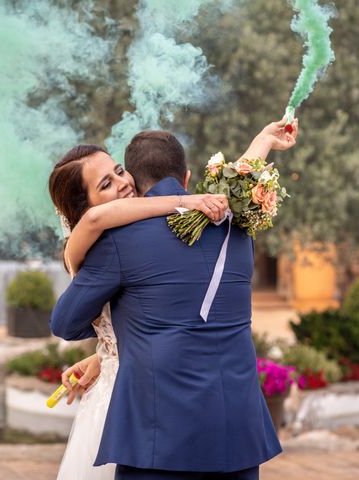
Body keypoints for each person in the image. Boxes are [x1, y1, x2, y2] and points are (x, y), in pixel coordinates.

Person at [50, 117, 299, 480]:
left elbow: (65, 324)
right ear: (187, 178)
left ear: (134, 177)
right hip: (240, 434)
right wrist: (261, 139)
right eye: (108, 182)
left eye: (120, 173)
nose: (121, 184)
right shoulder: (239, 230)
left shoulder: (118, 243)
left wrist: (108, 348)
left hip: (159, 441)